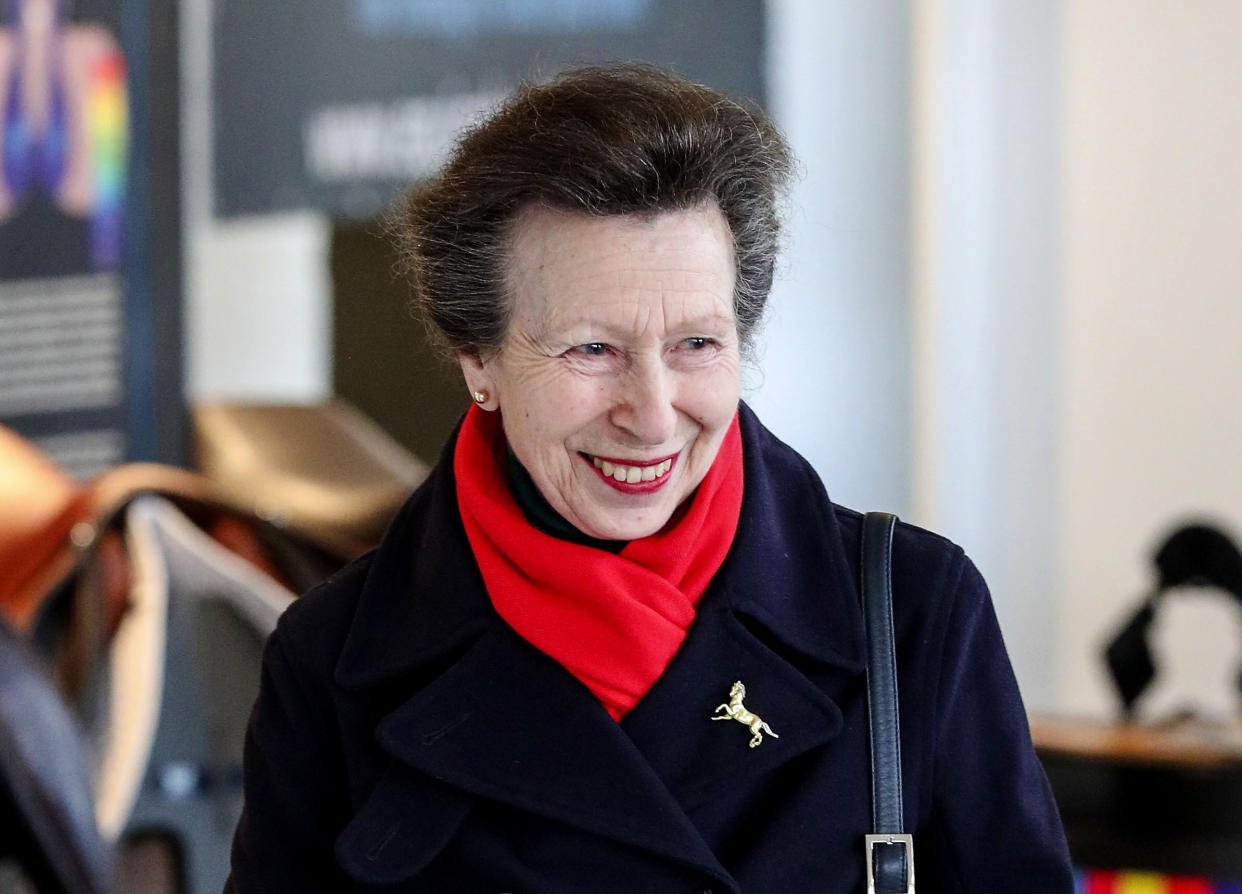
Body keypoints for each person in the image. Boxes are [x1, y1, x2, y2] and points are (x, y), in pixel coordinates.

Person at [226, 64, 1073, 893]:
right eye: (592, 349)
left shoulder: (912, 616)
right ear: (476, 356)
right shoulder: (332, 664)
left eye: (696, 345)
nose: (655, 413)